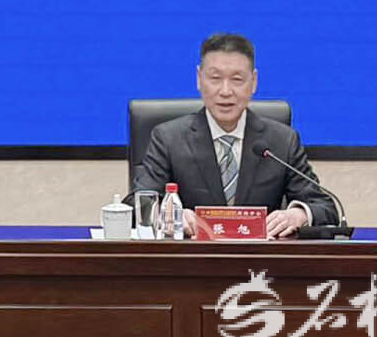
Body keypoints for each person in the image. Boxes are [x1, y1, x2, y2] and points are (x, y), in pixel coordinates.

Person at [131, 32, 336, 239]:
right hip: (192, 255)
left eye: (237, 79)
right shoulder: (168, 138)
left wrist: (298, 214)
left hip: (259, 256)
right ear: (199, 79)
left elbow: (325, 207)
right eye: (215, 78)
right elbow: (137, 203)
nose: (225, 91)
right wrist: (167, 213)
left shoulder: (282, 141)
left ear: (253, 82)